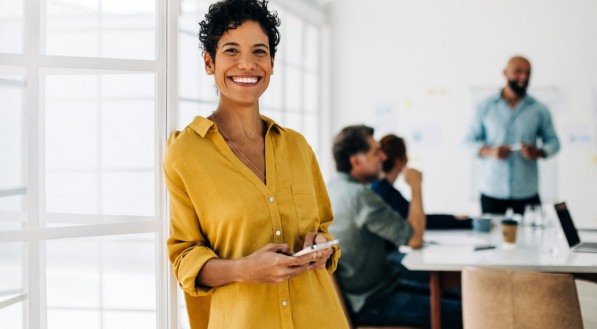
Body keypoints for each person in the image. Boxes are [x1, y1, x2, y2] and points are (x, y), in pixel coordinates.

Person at [163, 1, 348, 328]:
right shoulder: (185, 152)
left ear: (272, 63)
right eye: (231, 51)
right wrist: (243, 269)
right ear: (209, 62)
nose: (247, 64)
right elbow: (184, 257)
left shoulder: (297, 147)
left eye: (259, 52)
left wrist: (321, 247)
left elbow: (323, 229)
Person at [327, 125, 462, 328]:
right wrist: (416, 187)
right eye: (375, 152)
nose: (382, 158)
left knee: (454, 294)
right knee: (465, 311)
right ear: (355, 161)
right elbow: (414, 239)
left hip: (366, 292)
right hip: (373, 300)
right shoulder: (361, 197)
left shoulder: (332, 187)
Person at [465, 56, 560, 215]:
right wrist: (490, 151)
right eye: (518, 72)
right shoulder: (485, 107)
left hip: (527, 192)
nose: (523, 77)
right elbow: (466, 142)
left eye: (528, 73)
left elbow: (554, 142)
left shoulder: (539, 109)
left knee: (531, 238)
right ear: (505, 73)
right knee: (492, 239)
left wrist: (538, 152)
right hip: (492, 191)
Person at [372, 134, 472, 230]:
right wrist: (463, 221)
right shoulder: (386, 192)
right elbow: (419, 222)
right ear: (400, 160)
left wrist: (453, 217)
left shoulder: (380, 187)